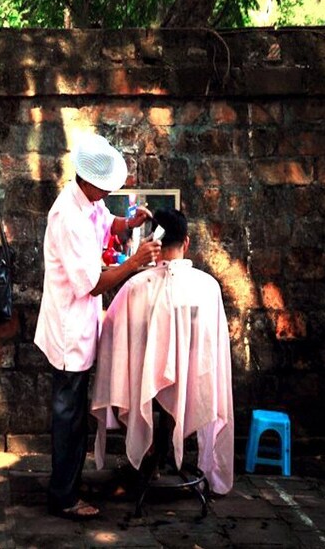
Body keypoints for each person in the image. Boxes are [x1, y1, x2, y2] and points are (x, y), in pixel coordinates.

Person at [34, 133, 162, 519]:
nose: (108, 195)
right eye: (104, 189)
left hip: (82, 324)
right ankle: (64, 497)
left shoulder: (89, 203)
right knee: (69, 415)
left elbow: (107, 222)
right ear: (88, 182)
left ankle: (68, 483)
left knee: (74, 411)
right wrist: (136, 261)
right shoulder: (67, 216)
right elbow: (92, 284)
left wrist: (128, 222)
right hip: (68, 330)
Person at [91, 208, 234, 495]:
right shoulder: (207, 287)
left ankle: (152, 453)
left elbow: (112, 330)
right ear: (187, 242)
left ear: (155, 240)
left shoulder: (135, 286)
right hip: (191, 376)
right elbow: (210, 343)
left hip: (143, 380)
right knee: (178, 385)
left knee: (138, 383)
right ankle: (162, 446)